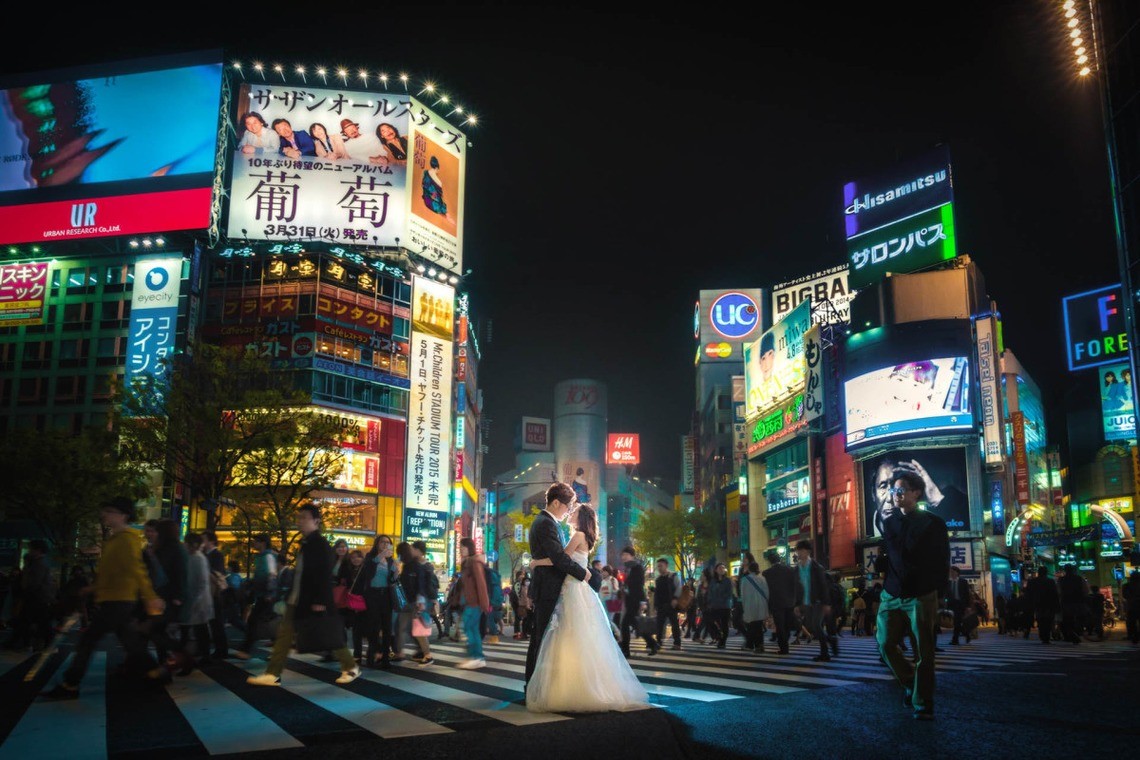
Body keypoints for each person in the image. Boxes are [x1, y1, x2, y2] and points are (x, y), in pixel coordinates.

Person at [525, 502, 650, 713]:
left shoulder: (577, 535)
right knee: (582, 634)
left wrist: (536, 563)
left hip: (573, 587)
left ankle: (571, 686)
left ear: (581, 517)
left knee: (569, 634)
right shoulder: (585, 536)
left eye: (574, 512)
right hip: (581, 588)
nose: (570, 514)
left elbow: (559, 560)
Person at [42, 497, 167, 699]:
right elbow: (110, 573)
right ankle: (156, 673)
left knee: (88, 641)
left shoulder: (127, 539)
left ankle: (70, 684)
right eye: (105, 511)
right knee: (130, 642)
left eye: (110, 511)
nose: (104, 514)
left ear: (123, 515)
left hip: (118, 601)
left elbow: (137, 570)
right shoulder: (116, 539)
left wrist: (150, 597)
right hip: (115, 599)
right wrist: (92, 588)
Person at [247, 504, 360, 687]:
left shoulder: (320, 544)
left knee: (328, 634)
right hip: (299, 599)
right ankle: (273, 673)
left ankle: (350, 666)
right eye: (299, 517)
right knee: (285, 636)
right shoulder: (306, 544)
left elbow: (323, 574)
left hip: (312, 600)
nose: (300, 521)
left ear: (316, 521)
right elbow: (301, 574)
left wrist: (320, 600)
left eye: (304, 517)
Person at [874, 469, 950, 721]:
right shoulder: (888, 521)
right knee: (885, 644)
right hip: (892, 592)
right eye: (893, 490)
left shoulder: (933, 524)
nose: (896, 494)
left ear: (916, 492)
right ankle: (910, 683)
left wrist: (941, 595)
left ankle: (923, 702)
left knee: (924, 652)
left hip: (921, 593)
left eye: (901, 490)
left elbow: (942, 561)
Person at [523, 481, 590, 692]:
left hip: (550, 587)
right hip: (548, 589)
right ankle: (534, 689)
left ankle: (536, 687)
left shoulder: (548, 522)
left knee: (542, 639)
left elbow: (558, 557)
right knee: (542, 639)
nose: (568, 511)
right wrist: (584, 574)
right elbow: (559, 558)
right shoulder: (545, 523)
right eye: (567, 506)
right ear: (555, 503)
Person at [867, 454, 968, 538]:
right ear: (873, 492)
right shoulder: (864, 530)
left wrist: (936, 499)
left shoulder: (926, 525)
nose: (890, 498)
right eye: (883, 486)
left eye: (898, 488)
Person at [235, 534, 278, 659]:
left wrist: (269, 593)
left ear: (263, 543)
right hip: (262, 594)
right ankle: (277, 648)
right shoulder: (261, 557)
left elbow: (272, 575)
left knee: (255, 621)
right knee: (265, 622)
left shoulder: (268, 556)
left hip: (266, 595)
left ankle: (246, 650)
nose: (254, 544)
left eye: (256, 541)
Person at [357, 534, 396, 669]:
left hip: (386, 595)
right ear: (377, 544)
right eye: (382, 542)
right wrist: (382, 555)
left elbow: (393, 580)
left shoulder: (391, 561)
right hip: (372, 595)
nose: (385, 544)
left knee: (387, 628)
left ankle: (385, 658)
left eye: (387, 542)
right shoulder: (370, 557)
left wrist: (396, 572)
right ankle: (371, 656)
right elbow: (368, 571)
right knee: (373, 627)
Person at [793, 540, 836, 661]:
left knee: (816, 626)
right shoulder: (797, 569)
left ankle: (825, 653)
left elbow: (823, 586)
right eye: (798, 551)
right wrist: (797, 605)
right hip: (806, 602)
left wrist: (826, 603)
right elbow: (796, 588)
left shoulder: (817, 567)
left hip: (818, 601)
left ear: (807, 551)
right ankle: (831, 640)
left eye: (801, 550)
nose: (799, 553)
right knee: (812, 627)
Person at [178, 532, 214, 675]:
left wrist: (193, 599)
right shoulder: (195, 557)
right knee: (199, 630)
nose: (185, 545)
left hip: (197, 601)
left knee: (190, 631)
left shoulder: (198, 558)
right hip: (196, 600)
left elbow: (201, 582)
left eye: (186, 543)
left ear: (192, 545)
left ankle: (189, 660)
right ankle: (203, 656)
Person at [8, 540, 53, 652]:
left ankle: (24, 643)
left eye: (31, 548)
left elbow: (34, 582)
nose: (29, 551)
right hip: (38, 597)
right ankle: (24, 642)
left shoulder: (38, 564)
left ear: (37, 550)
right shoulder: (39, 563)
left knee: (29, 620)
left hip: (36, 597)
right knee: (33, 621)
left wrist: (26, 589)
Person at [618, 545, 659, 657]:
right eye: (622, 555)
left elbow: (639, 585)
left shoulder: (637, 568)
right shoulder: (628, 568)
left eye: (626, 555)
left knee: (625, 624)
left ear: (632, 556)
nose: (623, 557)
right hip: (630, 601)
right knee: (636, 624)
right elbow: (630, 585)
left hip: (635, 601)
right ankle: (652, 643)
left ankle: (626, 650)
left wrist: (642, 602)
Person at [457, 537, 491, 669]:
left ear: (469, 548)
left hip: (475, 603)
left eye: (463, 547)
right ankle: (476, 656)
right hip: (470, 602)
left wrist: (484, 603)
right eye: (460, 547)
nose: (461, 550)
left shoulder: (474, 562)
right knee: (471, 629)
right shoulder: (466, 563)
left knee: (469, 628)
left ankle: (476, 657)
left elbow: (481, 584)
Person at [762, 548, 798, 654]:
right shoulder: (789, 570)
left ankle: (784, 647)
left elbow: (766, 590)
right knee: (786, 624)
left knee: (780, 625)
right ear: (780, 559)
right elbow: (795, 586)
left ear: (770, 561)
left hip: (775, 603)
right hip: (789, 602)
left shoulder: (766, 573)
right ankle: (786, 639)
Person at [200, 531, 230, 660]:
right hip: (210, 593)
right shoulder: (206, 554)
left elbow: (218, 573)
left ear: (211, 541)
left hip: (215, 594)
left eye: (204, 540)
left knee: (216, 623)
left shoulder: (216, 555)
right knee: (214, 623)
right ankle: (219, 649)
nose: (202, 543)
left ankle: (221, 650)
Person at [1024, 566, 1060, 644]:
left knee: (1041, 620)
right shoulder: (1050, 581)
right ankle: (1046, 636)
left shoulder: (1032, 582)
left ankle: (1043, 635)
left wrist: (1029, 605)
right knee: (1048, 620)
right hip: (1048, 605)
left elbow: (1028, 594)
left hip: (1038, 605)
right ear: (1046, 572)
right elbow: (1055, 594)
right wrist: (1056, 606)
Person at [739, 561, 770, 652]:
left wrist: (744, 607)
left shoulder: (745, 579)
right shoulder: (762, 578)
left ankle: (753, 645)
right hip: (761, 605)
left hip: (750, 606)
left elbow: (743, 595)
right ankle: (759, 645)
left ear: (749, 569)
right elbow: (767, 593)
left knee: (751, 627)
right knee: (759, 626)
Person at [653, 558, 683, 650]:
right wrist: (655, 605)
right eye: (658, 566)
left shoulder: (673, 576)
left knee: (674, 624)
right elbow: (657, 593)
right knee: (659, 625)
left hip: (671, 604)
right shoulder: (658, 579)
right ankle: (658, 641)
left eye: (661, 566)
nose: (659, 568)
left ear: (666, 565)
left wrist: (675, 599)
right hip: (661, 605)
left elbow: (679, 588)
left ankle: (677, 643)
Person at [704, 562, 734, 649]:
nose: (722, 569)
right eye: (720, 568)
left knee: (724, 625)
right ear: (716, 570)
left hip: (725, 606)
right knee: (709, 620)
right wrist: (710, 602)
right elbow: (710, 592)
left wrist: (719, 599)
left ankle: (722, 642)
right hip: (714, 606)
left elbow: (729, 593)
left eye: (723, 568)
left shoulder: (728, 580)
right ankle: (718, 636)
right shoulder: (713, 581)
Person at [1058, 563, 1089, 644]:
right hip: (1079, 602)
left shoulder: (1061, 580)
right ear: (1073, 570)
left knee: (1067, 620)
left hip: (1066, 602)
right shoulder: (1079, 579)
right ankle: (1077, 634)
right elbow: (1086, 591)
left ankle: (1071, 635)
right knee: (1079, 619)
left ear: (1065, 570)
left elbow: (1059, 592)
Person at [946, 566, 971, 645]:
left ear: (957, 573)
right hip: (951, 605)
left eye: (953, 572)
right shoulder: (948, 582)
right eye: (950, 572)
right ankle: (966, 634)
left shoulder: (963, 582)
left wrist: (968, 606)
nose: (951, 573)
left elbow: (967, 594)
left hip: (960, 604)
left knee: (957, 622)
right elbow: (946, 594)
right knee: (956, 622)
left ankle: (955, 639)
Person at [1123, 569, 1140, 644]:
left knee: (1131, 623)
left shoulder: (1126, 586)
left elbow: (1125, 596)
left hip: (1131, 607)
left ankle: (1134, 636)